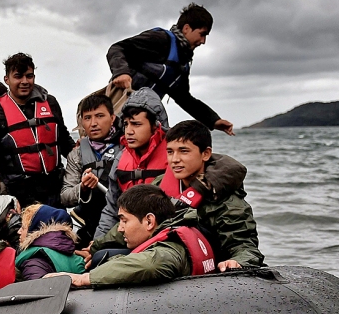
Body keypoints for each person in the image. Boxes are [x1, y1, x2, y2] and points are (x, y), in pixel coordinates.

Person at [51, 184, 217, 288]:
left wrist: (83, 279)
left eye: (124, 221)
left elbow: (152, 263)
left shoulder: (171, 250)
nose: (120, 229)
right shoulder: (179, 230)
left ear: (149, 221)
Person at [106, 3, 234, 135]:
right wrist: (121, 72)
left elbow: (184, 98)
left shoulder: (182, 62)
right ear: (186, 28)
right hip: (117, 109)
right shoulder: (160, 39)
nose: (203, 41)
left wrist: (214, 121)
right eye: (202, 34)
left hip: (142, 120)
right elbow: (117, 49)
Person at [154, 120, 263, 270]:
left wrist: (239, 261)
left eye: (184, 151)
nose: (175, 159)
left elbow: (245, 247)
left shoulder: (228, 202)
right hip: (159, 254)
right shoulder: (159, 186)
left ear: (205, 154)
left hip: (204, 270)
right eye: (170, 152)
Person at [0, 53, 75, 208]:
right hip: (18, 195)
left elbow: (64, 141)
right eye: (18, 76)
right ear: (6, 79)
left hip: (54, 189)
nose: (24, 81)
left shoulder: (50, 103)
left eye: (29, 76)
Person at [95, 89, 170, 238]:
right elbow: (111, 211)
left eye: (136, 124)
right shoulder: (120, 159)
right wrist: (97, 243)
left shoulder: (174, 155)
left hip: (164, 238)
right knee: (98, 257)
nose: (128, 131)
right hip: (129, 237)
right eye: (126, 124)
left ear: (156, 125)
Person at [60, 93, 122, 244]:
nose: (93, 123)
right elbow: (65, 196)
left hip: (122, 225)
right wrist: (83, 188)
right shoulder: (76, 154)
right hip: (91, 226)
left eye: (100, 116)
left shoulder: (128, 145)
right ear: (81, 122)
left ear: (112, 118)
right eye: (87, 118)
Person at [14, 204, 84, 281]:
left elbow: (36, 290)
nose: (19, 231)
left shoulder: (34, 262)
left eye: (23, 227)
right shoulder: (76, 258)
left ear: (33, 230)